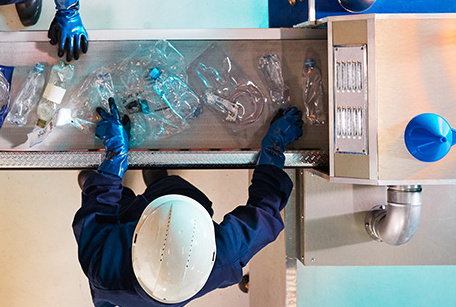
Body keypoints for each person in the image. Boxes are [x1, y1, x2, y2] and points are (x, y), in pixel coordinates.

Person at [73, 98, 304, 306]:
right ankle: (158, 181)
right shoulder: (222, 258)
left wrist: (115, 156)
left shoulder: (102, 266)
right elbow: (264, 209)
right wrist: (275, 145)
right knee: (170, 188)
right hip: (143, 238)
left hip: (117, 275)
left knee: (102, 196)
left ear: (135, 236)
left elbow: (97, 213)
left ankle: (133, 186)